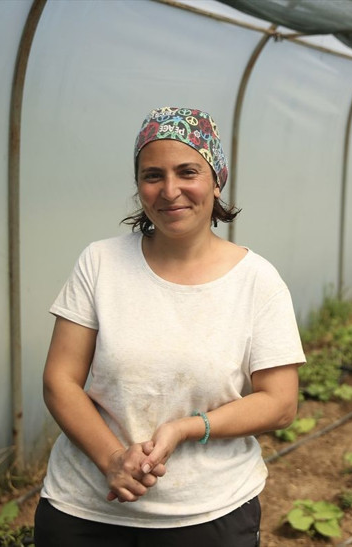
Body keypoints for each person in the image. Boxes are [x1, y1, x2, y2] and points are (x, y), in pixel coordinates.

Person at [34, 106, 305, 546]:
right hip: (86, 510)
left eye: (188, 172)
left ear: (217, 180)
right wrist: (112, 459)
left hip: (208, 514)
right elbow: (60, 380)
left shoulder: (257, 282)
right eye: (153, 175)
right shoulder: (100, 263)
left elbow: (280, 403)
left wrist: (186, 427)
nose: (170, 190)